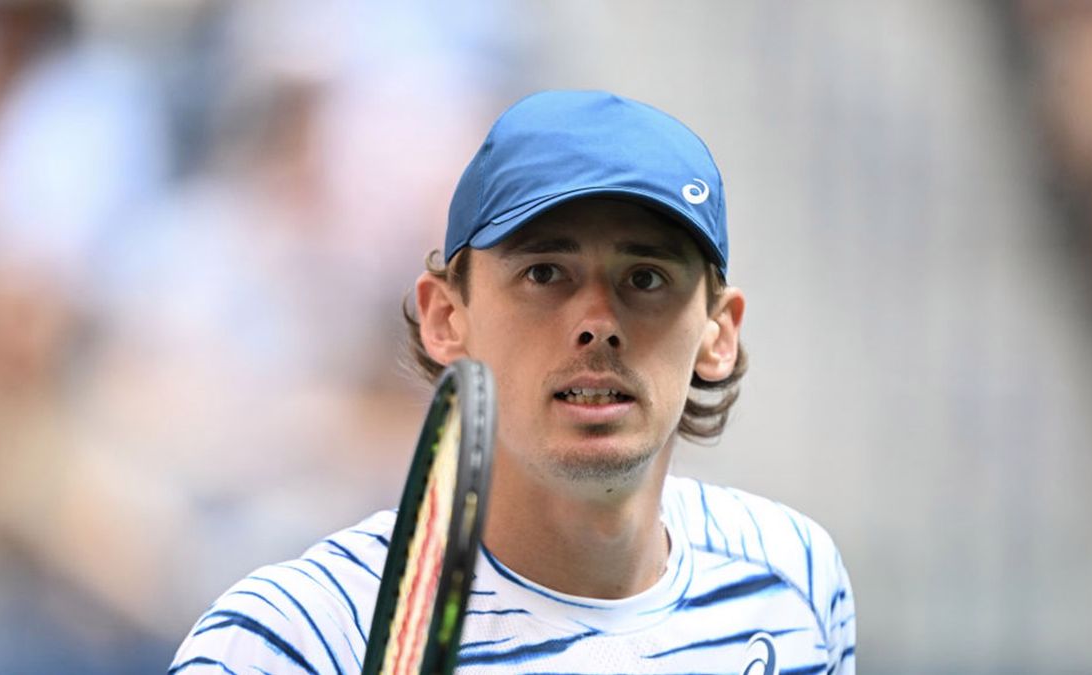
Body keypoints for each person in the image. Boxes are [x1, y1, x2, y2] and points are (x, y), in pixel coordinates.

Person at [170, 90, 856, 674]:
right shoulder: (288, 644)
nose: (598, 323)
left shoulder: (797, 579)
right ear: (447, 315)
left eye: (645, 278)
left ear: (719, 332)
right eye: (545, 273)